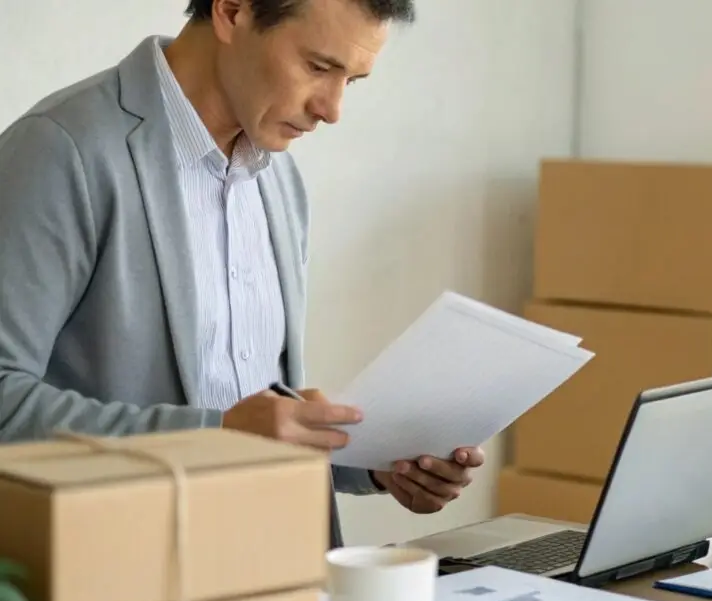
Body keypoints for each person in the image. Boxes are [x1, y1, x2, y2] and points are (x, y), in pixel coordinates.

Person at [0, 0, 483, 515]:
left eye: (353, 80)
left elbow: (258, 417)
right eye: (318, 67)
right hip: (124, 567)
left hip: (276, 559)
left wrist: (376, 463)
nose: (332, 109)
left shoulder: (278, 178)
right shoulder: (61, 150)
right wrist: (217, 436)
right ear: (232, 12)